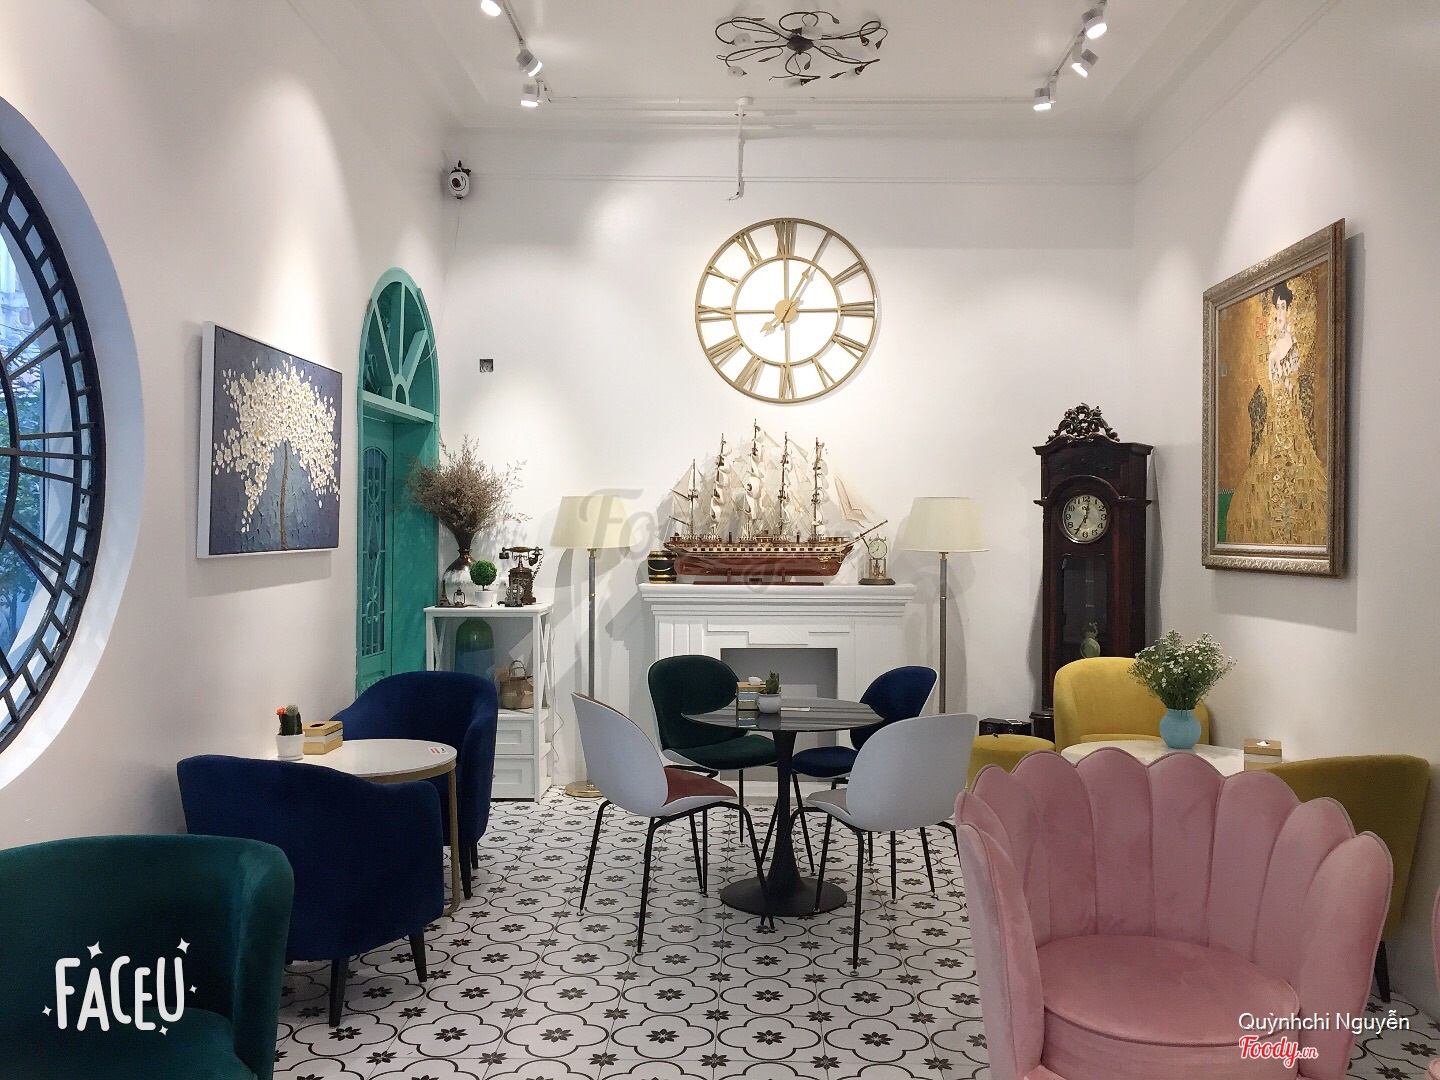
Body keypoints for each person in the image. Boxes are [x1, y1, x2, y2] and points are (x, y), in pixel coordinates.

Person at [1224, 281, 1327, 545]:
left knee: (1295, 461)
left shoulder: (1292, 340)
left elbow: (1292, 376)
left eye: (1283, 307)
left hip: (1288, 407)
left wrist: (1285, 385)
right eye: (1276, 307)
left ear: (1289, 309)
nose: (1279, 312)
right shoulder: (1274, 342)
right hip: (1275, 409)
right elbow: (1270, 377)